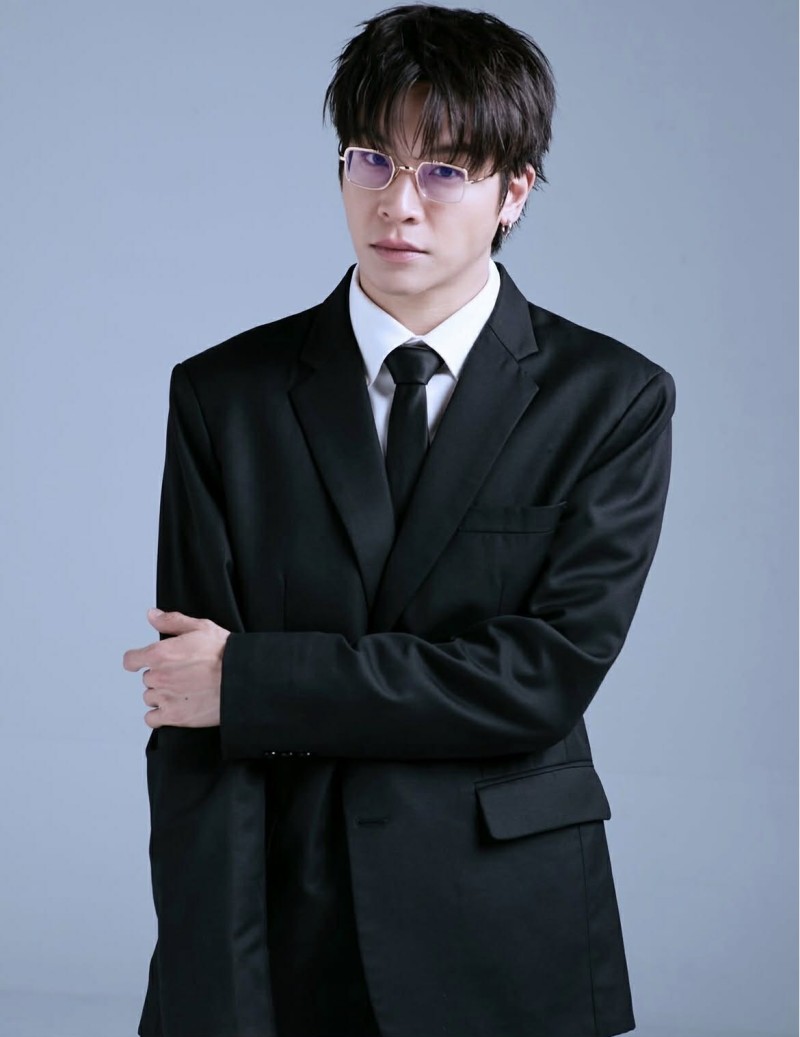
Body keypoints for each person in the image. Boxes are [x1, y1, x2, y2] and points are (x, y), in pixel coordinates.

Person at [123, 5, 675, 1036]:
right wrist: (216, 999)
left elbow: (536, 680)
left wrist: (253, 680)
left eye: (445, 170)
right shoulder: (225, 395)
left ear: (515, 191)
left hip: (510, 926)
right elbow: (191, 721)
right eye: (372, 159)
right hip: (291, 925)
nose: (398, 204)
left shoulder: (611, 398)